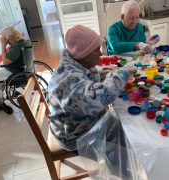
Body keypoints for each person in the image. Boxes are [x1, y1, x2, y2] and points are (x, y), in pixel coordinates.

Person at [48, 25, 137, 178]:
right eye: (96, 49)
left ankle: (126, 166)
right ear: (83, 54)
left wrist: (102, 72)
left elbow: (87, 78)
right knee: (122, 145)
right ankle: (124, 172)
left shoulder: (74, 63)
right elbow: (98, 100)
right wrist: (123, 73)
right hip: (73, 136)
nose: (101, 53)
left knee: (125, 130)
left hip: (78, 124)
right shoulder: (68, 79)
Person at [0, 26, 31, 114]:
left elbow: (5, 61)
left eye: (5, 39)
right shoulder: (23, 42)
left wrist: (3, 46)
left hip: (13, 71)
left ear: (8, 38)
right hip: (19, 69)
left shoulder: (17, 47)